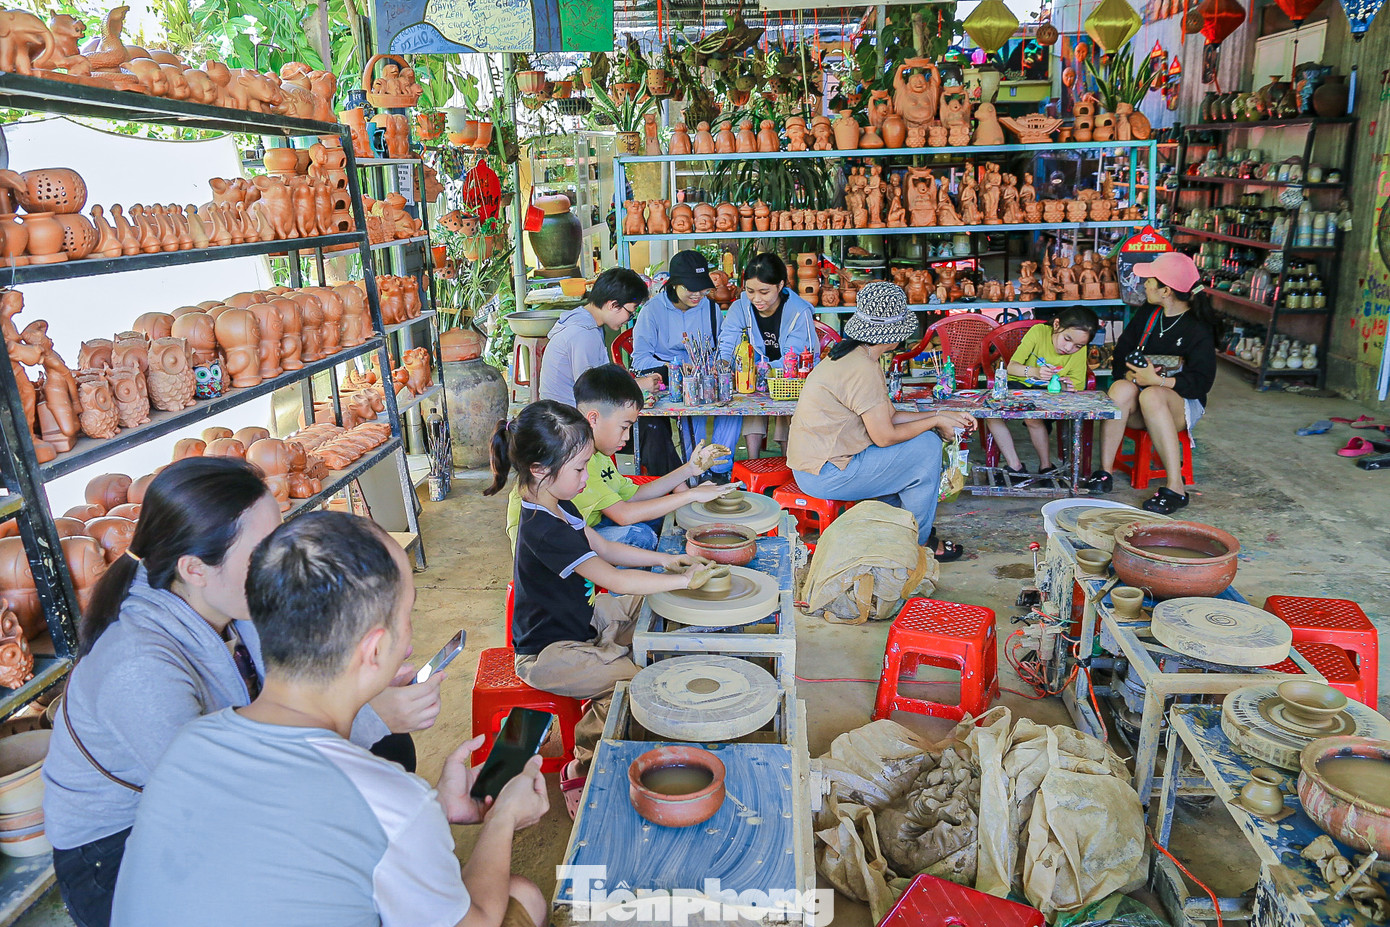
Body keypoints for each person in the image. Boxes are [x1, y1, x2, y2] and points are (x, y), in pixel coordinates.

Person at [43, 458, 443, 927]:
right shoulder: (137, 665)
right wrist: (373, 716)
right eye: (262, 551)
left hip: (220, 790)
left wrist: (363, 690)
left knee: (389, 753)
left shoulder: (233, 601)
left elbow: (287, 697)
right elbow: (229, 797)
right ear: (195, 568)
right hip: (117, 851)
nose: (279, 562)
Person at [109, 513, 550, 927]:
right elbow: (476, 921)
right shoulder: (390, 800)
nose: (412, 640)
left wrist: (437, 807)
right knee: (523, 896)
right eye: (408, 616)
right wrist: (502, 820)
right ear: (375, 649)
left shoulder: (189, 744)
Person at [488, 400, 717, 816]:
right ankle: (583, 766)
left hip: (580, 619)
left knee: (651, 605)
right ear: (540, 469)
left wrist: (668, 562)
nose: (585, 477)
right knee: (635, 683)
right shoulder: (541, 528)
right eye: (579, 469)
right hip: (548, 652)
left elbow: (608, 547)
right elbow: (613, 577)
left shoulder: (560, 503)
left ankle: (636, 697)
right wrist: (683, 580)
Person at [786, 282, 975, 560]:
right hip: (825, 473)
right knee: (926, 448)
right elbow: (884, 436)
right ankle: (918, 543)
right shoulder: (861, 367)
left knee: (921, 441)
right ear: (894, 335)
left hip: (824, 464)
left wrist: (941, 417)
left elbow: (889, 416)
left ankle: (897, 532)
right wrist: (934, 422)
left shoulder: (856, 356)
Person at [503, 364, 735, 550]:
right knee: (639, 535)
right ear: (593, 418)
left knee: (661, 518)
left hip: (586, 525)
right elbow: (624, 515)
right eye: (624, 427)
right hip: (549, 550)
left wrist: (689, 470)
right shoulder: (575, 461)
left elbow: (635, 495)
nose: (626, 437)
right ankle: (622, 600)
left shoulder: (596, 452)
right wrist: (691, 494)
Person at [1084, 252, 1216, 513]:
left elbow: (1201, 383)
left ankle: (1176, 488)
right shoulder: (1149, 313)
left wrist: (1159, 381)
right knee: (1119, 389)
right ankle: (1104, 472)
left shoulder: (1197, 327)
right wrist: (1130, 376)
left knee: (1151, 395)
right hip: (1141, 399)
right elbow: (1122, 351)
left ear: (1166, 290)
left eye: (1150, 280)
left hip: (1180, 404)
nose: (1144, 284)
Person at [631, 249, 739, 482]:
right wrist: (676, 368)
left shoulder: (710, 308)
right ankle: (695, 468)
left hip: (705, 378)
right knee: (694, 410)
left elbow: (720, 348)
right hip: (666, 381)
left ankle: (720, 468)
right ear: (674, 285)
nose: (698, 294)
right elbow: (640, 360)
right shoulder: (652, 311)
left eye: (702, 288)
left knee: (734, 406)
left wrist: (719, 364)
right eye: (691, 289)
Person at [715, 253, 818, 459]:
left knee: (787, 407)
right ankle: (753, 461)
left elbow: (796, 356)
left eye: (764, 291)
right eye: (750, 291)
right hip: (752, 379)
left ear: (780, 286)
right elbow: (727, 342)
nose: (756, 299)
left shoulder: (799, 312)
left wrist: (764, 372)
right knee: (749, 398)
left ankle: (788, 463)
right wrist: (723, 363)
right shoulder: (739, 308)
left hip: (791, 379)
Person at [981, 306, 1100, 478]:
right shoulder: (1039, 332)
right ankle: (1014, 465)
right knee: (991, 412)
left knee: (1032, 417)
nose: (1069, 348)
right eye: (1067, 339)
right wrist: (1035, 372)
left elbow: (1078, 385)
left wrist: (1066, 386)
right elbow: (1012, 367)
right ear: (1057, 325)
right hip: (1020, 385)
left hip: (1049, 393)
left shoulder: (1079, 350)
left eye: (1078, 346)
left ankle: (1046, 466)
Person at [538, 267, 659, 407]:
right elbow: (591, 392)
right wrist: (636, 385)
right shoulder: (582, 333)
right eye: (631, 312)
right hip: (566, 420)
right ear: (613, 305)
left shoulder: (588, 323)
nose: (629, 319)